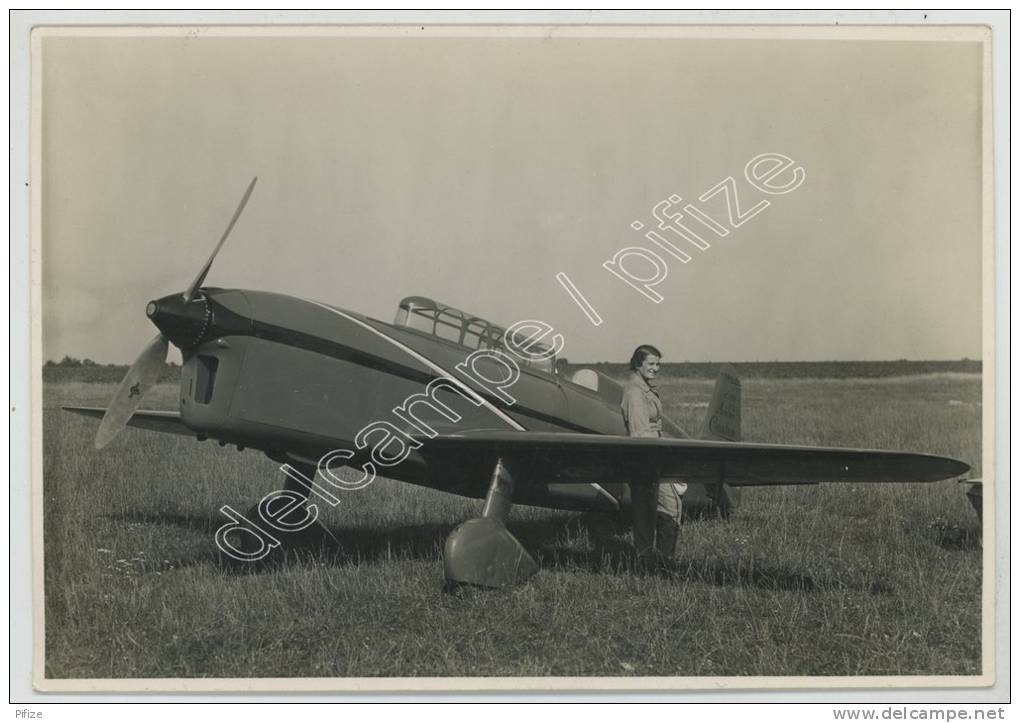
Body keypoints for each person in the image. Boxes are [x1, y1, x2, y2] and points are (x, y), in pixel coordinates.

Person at [621, 344, 686, 565]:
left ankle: (654, 561)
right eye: (651, 364)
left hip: (650, 456)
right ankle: (658, 561)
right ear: (638, 364)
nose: (655, 368)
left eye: (658, 364)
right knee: (664, 507)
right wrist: (659, 464)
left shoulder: (643, 389)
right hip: (647, 458)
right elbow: (640, 433)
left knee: (648, 511)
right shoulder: (635, 392)